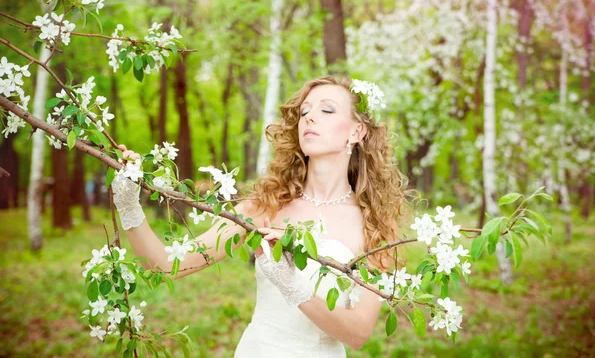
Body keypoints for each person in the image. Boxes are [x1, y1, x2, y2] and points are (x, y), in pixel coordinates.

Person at [112, 76, 413, 356]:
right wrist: (128, 205)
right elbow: (168, 266)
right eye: (305, 110)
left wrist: (292, 284)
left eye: (327, 110)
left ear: (357, 130)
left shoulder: (374, 226)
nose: (309, 117)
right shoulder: (263, 207)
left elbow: (358, 334)